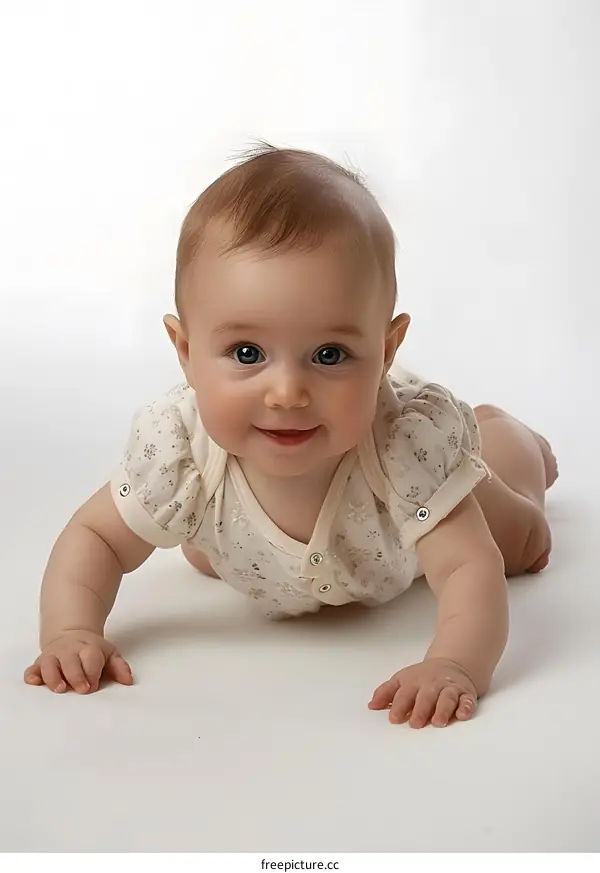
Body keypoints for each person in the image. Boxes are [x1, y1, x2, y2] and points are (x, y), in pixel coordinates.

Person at [24, 144, 558, 728]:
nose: (287, 393)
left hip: (406, 526)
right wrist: (72, 630)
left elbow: (465, 572)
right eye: (246, 353)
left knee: (521, 541)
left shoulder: (406, 452)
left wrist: (454, 664)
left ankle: (510, 439)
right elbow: (95, 537)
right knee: (201, 550)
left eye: (329, 355)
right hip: (251, 543)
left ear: (384, 352)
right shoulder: (183, 457)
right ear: (185, 352)